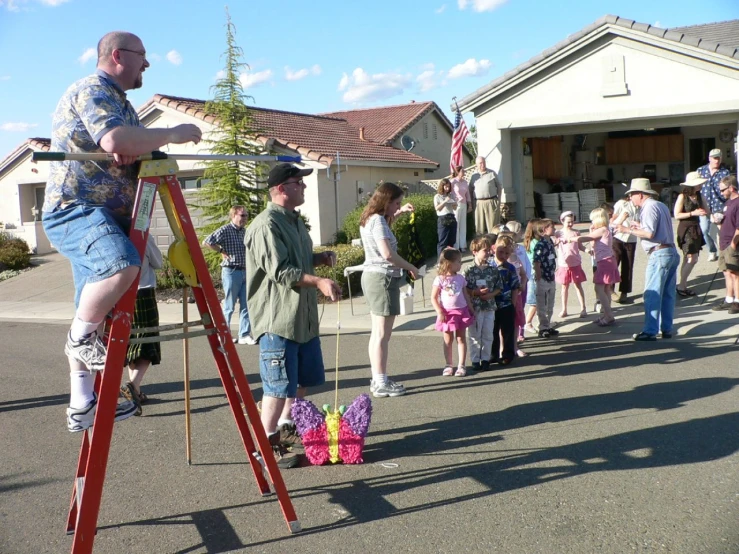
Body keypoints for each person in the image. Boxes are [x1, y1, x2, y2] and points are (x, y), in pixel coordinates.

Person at [41, 31, 203, 432]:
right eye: (142, 56)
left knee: (91, 312)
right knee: (121, 266)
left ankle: (84, 402)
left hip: (106, 217)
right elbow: (114, 139)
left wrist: (141, 143)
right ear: (118, 55)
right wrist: (171, 134)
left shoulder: (123, 105)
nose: (147, 63)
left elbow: (128, 144)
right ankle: (78, 341)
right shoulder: (92, 90)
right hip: (76, 210)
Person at [244, 163, 341, 469]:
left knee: (301, 381)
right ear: (281, 188)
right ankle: (264, 446)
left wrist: (318, 260)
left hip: (303, 320)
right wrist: (320, 281)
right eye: (299, 182)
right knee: (276, 386)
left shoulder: (295, 222)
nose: (304, 187)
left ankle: (286, 427)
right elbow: (281, 271)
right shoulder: (265, 225)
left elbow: (296, 261)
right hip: (279, 321)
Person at [359, 182, 418, 398]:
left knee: (377, 333)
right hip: (383, 278)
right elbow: (388, 254)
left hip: (374, 277)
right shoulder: (379, 222)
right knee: (383, 334)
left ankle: (378, 379)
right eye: (396, 203)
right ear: (386, 201)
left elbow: (385, 225)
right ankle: (381, 382)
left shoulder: (371, 219)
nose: (397, 207)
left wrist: (400, 212)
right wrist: (411, 267)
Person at [615, 178, 679, 341]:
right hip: (670, 251)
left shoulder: (648, 207)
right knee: (668, 294)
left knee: (652, 294)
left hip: (658, 253)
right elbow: (655, 229)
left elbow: (649, 234)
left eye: (632, 195)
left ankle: (650, 330)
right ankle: (667, 328)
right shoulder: (660, 205)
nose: (630, 198)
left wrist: (626, 229)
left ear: (640, 194)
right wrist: (638, 226)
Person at [120, 234, 162, 415]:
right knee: (147, 342)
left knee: (132, 341)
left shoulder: (116, 233)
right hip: (143, 292)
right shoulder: (143, 235)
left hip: (121, 294)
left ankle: (135, 393)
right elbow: (158, 262)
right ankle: (134, 384)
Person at [203, 205, 255, 345]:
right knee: (229, 305)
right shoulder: (225, 230)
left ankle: (244, 334)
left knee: (246, 304)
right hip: (231, 271)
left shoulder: (245, 232)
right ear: (233, 216)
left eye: (246, 215)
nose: (245, 218)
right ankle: (223, 334)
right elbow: (207, 241)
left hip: (245, 270)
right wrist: (220, 250)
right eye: (242, 215)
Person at [432, 249, 475, 376]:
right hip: (447, 313)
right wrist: (439, 311)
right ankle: (448, 364)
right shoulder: (439, 279)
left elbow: (466, 295)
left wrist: (471, 308)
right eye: (458, 262)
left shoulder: (460, 278)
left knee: (461, 338)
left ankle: (461, 365)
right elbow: (433, 298)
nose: (460, 264)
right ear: (449, 263)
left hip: (461, 311)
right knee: (447, 339)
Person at [575, 208, 620, 327]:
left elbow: (584, 238)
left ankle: (609, 315)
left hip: (606, 262)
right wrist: (590, 231)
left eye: (593, 220)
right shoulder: (600, 231)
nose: (591, 222)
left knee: (599, 289)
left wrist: (571, 238)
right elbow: (592, 244)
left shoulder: (603, 230)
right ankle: (606, 314)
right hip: (604, 261)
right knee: (605, 289)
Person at [463, 236, 502, 371]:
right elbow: (463, 288)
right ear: (475, 251)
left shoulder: (493, 269)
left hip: (489, 306)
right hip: (474, 307)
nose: (488, 253)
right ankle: (475, 359)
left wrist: (490, 295)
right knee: (474, 334)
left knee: (488, 333)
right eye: (485, 250)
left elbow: (499, 287)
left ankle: (485, 359)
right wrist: (475, 292)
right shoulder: (468, 270)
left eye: (489, 250)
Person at [674, 172, 708, 297]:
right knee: (692, 258)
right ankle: (681, 286)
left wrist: (709, 213)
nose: (700, 185)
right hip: (686, 229)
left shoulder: (700, 196)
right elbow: (677, 215)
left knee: (687, 258)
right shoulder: (682, 196)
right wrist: (693, 213)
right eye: (698, 184)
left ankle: (682, 284)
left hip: (696, 228)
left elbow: (707, 211)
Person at [489, 235, 521, 364]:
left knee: (507, 331)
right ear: (494, 248)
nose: (503, 255)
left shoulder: (510, 268)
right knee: (492, 330)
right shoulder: (489, 265)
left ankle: (507, 354)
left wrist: (512, 305)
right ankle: (493, 354)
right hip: (491, 304)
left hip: (506, 304)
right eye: (501, 251)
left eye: (507, 253)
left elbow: (514, 287)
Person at [696, 149, 731, 261]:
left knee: (722, 232)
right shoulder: (701, 171)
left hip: (719, 206)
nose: (717, 161)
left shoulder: (724, 172)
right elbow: (696, 187)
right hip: (704, 206)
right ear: (709, 158)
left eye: (719, 158)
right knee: (705, 230)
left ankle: (725, 253)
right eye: (715, 158)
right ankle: (712, 251)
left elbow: (728, 189)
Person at [712, 176, 739, 314]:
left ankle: (737, 301)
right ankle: (729, 299)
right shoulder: (728, 203)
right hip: (723, 243)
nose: (721, 192)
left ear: (731, 188)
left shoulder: (738, 203)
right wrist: (718, 221)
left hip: (732, 243)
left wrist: (734, 245)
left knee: (735, 273)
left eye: (723, 189)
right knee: (726, 272)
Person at [554, 211, 587, 318]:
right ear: (562, 221)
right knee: (564, 287)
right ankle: (564, 309)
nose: (570, 224)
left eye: (572, 221)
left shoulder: (576, 232)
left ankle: (583, 308)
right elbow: (553, 244)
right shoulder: (558, 233)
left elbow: (580, 246)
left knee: (578, 285)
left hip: (575, 263)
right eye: (568, 222)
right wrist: (557, 241)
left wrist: (587, 250)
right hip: (563, 264)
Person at [505, 221, 532, 346]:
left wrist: (527, 277)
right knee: (513, 309)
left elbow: (526, 263)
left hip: (522, 283)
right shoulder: (506, 252)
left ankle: (521, 331)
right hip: (511, 286)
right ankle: (512, 334)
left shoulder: (520, 248)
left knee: (521, 307)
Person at [610, 193, 640, 304]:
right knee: (614, 264)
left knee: (628, 266)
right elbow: (612, 222)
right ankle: (610, 289)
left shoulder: (642, 207)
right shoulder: (622, 204)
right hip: (618, 237)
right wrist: (622, 219)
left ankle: (624, 292)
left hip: (631, 238)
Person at [532, 219, 558, 338]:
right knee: (542, 303)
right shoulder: (540, 244)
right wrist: (538, 276)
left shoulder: (550, 241)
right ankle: (542, 327)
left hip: (551, 276)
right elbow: (536, 261)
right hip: (543, 277)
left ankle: (548, 325)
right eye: (552, 227)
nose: (554, 229)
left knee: (550, 303)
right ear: (544, 230)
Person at [469, 155, 502, 234]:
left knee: (493, 227)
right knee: (479, 227)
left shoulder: (492, 173)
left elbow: (499, 187)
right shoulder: (474, 176)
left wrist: (499, 200)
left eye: (484, 162)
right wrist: (471, 203)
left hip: (491, 201)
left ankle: (494, 243)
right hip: (478, 203)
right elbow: (470, 189)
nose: (483, 164)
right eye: (480, 163)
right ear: (476, 165)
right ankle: (481, 243)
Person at [522, 218, 540, 334]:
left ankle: (536, 320)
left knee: (537, 300)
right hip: (534, 273)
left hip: (531, 272)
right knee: (535, 301)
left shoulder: (529, 241)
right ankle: (527, 322)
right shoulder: (535, 243)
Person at [434, 178, 458, 256]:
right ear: (442, 186)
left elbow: (454, 208)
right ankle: (440, 261)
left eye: (448, 187)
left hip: (451, 217)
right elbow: (437, 208)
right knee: (443, 241)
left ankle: (450, 258)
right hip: (443, 218)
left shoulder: (451, 195)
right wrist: (445, 201)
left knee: (452, 240)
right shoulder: (437, 196)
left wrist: (454, 203)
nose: (447, 188)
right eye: (446, 187)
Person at [451, 166, 472, 251]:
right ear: (458, 172)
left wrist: (470, 205)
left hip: (464, 204)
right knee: (457, 225)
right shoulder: (453, 182)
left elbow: (468, 195)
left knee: (463, 225)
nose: (464, 172)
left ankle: (463, 245)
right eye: (462, 171)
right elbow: (450, 193)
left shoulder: (465, 182)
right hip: (456, 204)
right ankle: (456, 246)